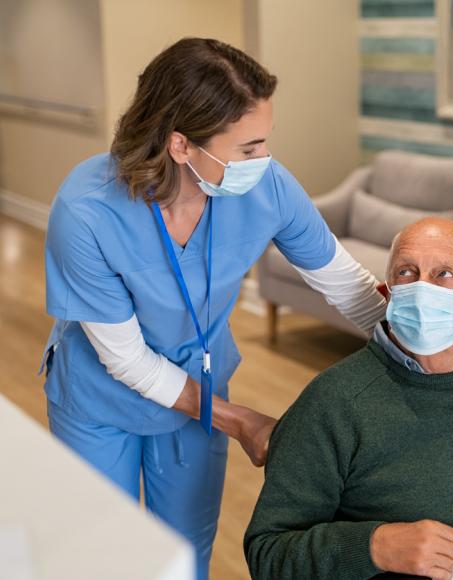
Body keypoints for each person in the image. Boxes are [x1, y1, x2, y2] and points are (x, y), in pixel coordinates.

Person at [40, 38, 386, 579]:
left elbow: (347, 286)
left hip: (197, 378)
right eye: (248, 147)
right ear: (181, 145)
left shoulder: (266, 186)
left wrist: (417, 345)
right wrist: (238, 419)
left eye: (265, 142)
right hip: (100, 396)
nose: (263, 161)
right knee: (98, 556)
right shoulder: (87, 211)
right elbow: (127, 362)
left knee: (184, 551)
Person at [244, 217, 453, 580]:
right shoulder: (334, 402)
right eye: (406, 272)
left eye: (444, 273)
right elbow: (268, 553)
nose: (422, 289)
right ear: (387, 294)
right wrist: (374, 546)